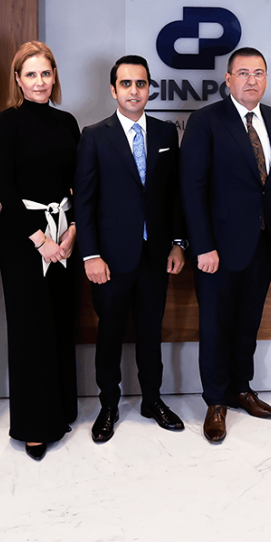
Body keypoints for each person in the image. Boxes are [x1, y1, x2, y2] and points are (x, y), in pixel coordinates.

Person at [180, 47, 271, 443]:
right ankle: (216, 401)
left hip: (264, 243)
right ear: (228, 79)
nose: (252, 80)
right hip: (217, 247)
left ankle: (240, 388)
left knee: (248, 320)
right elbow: (192, 188)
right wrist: (202, 246)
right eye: (243, 73)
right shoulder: (206, 120)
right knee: (216, 324)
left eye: (259, 73)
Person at [75, 55, 186, 443]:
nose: (134, 90)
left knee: (151, 334)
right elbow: (84, 201)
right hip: (109, 259)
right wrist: (90, 255)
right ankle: (108, 406)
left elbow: (173, 195)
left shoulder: (165, 133)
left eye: (141, 83)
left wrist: (177, 243)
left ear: (149, 88)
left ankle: (152, 400)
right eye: (126, 83)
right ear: (113, 90)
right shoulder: (94, 135)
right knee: (109, 334)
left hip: (155, 256)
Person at [0, 42, 79, 461]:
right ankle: (34, 426)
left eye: (45, 73)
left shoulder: (67, 122)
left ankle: (61, 410)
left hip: (65, 237)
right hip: (24, 239)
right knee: (30, 329)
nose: (39, 82)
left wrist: (72, 231)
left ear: (54, 76)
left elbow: (78, 182)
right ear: (18, 80)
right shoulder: (6, 122)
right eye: (31, 74)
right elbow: (3, 186)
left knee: (60, 323)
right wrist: (41, 239)